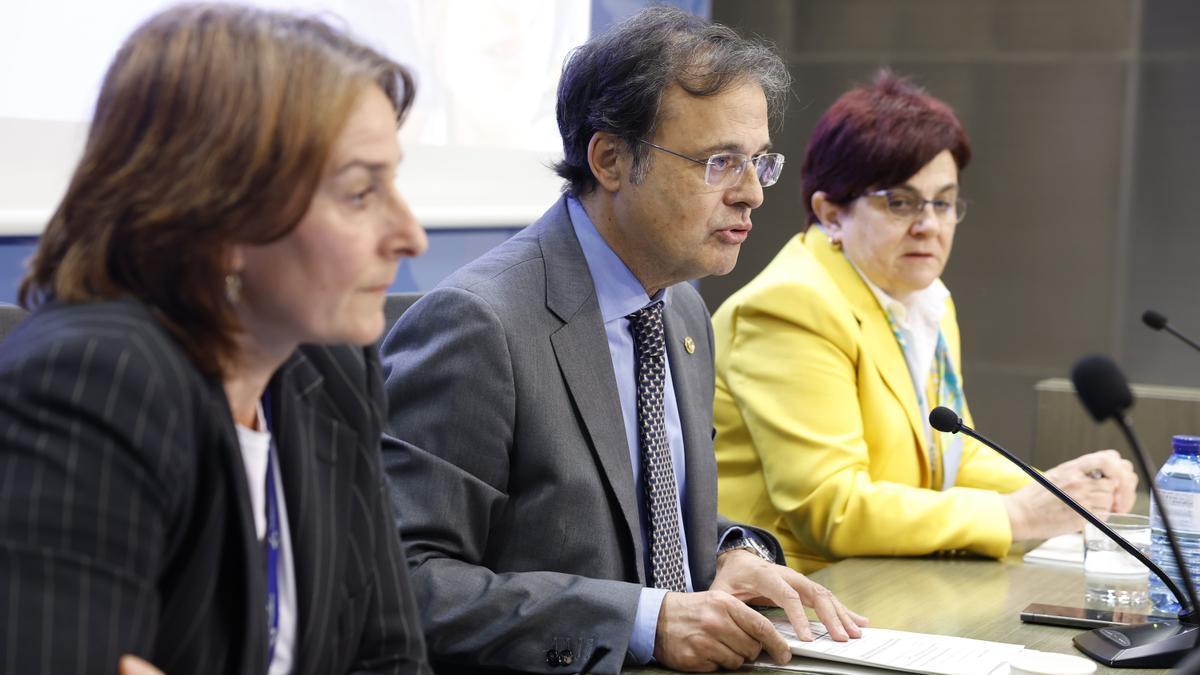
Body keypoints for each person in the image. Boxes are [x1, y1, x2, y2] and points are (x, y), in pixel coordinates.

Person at [380, 8, 866, 674]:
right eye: (720, 162)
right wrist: (644, 620)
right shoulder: (478, 324)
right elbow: (403, 580)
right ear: (610, 159)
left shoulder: (683, 310)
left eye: (758, 163)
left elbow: (634, 513)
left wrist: (735, 553)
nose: (751, 193)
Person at [0, 5, 431, 673]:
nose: (411, 235)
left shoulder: (331, 369)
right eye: (358, 193)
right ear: (222, 214)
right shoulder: (95, 379)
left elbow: (393, 658)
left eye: (392, 182)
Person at [711, 71, 1139, 574]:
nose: (929, 225)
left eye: (942, 202)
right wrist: (1016, 513)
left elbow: (954, 460)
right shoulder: (791, 306)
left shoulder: (923, 298)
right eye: (901, 202)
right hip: (798, 598)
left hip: (889, 581)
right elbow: (833, 508)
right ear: (830, 213)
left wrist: (1064, 491)